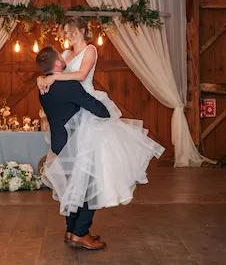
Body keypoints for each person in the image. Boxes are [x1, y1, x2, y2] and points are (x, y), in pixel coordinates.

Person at [37, 17, 164, 245]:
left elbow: (82, 76)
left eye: (72, 32)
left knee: (83, 175)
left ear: (83, 31)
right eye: (66, 32)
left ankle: (75, 229)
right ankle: (78, 231)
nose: (69, 36)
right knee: (84, 179)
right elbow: (54, 72)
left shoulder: (90, 50)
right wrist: (44, 76)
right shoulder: (65, 55)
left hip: (88, 114)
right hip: (74, 115)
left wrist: (54, 76)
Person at [36, 45, 110, 250]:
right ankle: (80, 233)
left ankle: (71, 230)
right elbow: (97, 109)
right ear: (58, 62)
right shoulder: (69, 85)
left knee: (72, 188)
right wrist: (107, 111)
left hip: (59, 145)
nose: (64, 55)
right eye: (61, 55)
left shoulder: (43, 87)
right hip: (77, 144)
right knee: (90, 188)